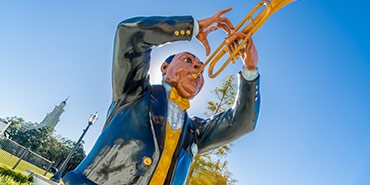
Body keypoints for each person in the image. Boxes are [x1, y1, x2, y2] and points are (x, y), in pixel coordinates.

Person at [63, 8, 260, 185]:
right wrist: (192, 27)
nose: (196, 69)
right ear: (165, 67)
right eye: (188, 60)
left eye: (199, 67)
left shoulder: (195, 132)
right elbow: (129, 34)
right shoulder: (134, 93)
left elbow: (241, 122)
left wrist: (250, 70)